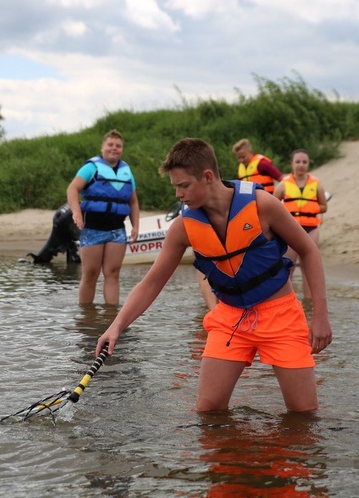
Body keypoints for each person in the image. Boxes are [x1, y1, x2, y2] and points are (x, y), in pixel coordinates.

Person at [95, 138, 332, 413]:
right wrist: (117, 326)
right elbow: (152, 282)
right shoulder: (183, 227)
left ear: (207, 177)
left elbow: (309, 251)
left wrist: (321, 317)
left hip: (280, 314)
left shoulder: (262, 205)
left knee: (303, 416)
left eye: (183, 185)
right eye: (175, 187)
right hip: (229, 318)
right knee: (208, 414)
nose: (178, 194)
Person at [67, 129, 140, 305]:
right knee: (91, 273)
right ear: (102, 147)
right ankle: (86, 316)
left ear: (122, 149)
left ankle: (111, 315)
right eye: (110, 145)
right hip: (93, 228)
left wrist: (135, 226)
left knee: (113, 273)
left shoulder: (126, 172)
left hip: (117, 230)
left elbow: (133, 203)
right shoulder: (91, 168)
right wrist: (76, 212)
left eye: (118, 146)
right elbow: (72, 189)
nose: (114, 148)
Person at [273, 150, 328, 300]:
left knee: (308, 266)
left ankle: (308, 301)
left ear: (308, 164)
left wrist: (310, 208)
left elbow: (324, 206)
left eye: (304, 162)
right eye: (298, 162)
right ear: (292, 164)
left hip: (311, 228)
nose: (301, 165)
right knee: (288, 266)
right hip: (291, 229)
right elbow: (272, 204)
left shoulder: (316, 184)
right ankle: (287, 300)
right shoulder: (284, 184)